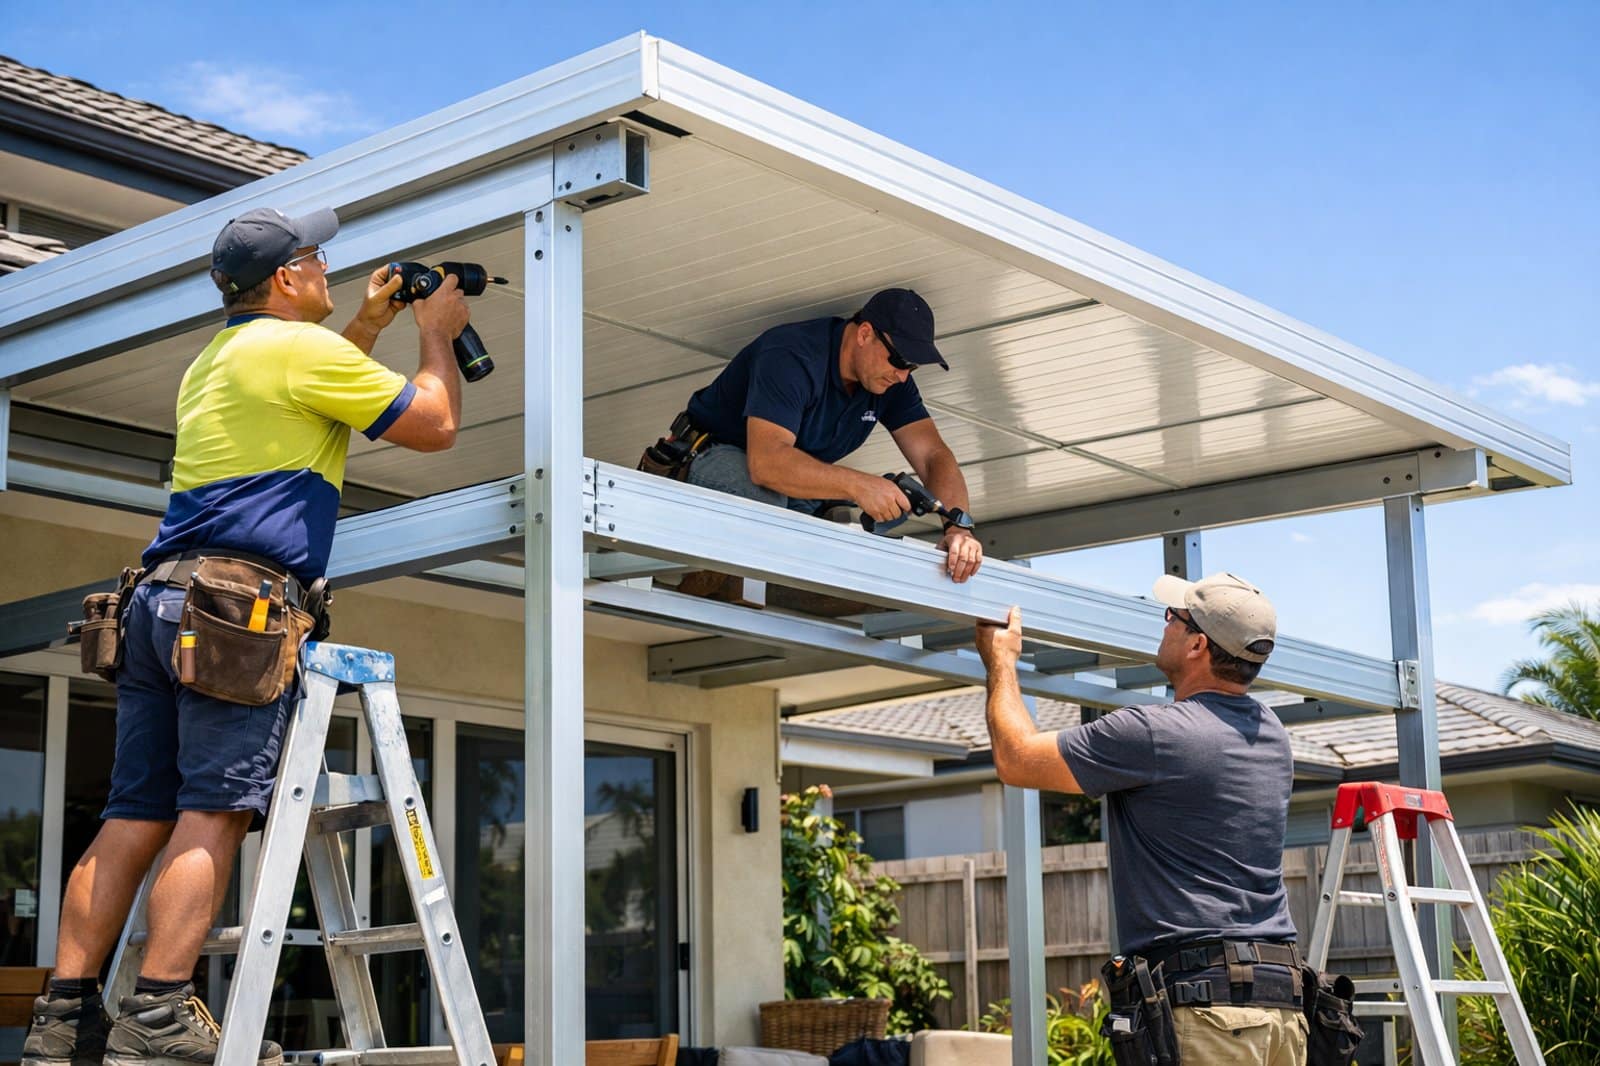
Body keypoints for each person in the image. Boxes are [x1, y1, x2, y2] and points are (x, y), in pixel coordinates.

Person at [23, 207, 471, 1066]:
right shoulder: (305, 352)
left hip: (159, 602)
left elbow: (316, 391)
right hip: (237, 608)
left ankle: (64, 1014)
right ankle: (157, 1012)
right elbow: (435, 423)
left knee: (134, 813)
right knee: (216, 809)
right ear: (287, 278)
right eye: (318, 258)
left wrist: (369, 323)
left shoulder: (220, 357)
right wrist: (436, 333)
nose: (330, 268)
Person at [974, 573, 1306, 1065]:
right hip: (1281, 1006)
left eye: (1173, 616)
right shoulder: (1271, 733)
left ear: (1196, 644)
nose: (1165, 624)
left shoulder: (1154, 733)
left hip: (1211, 1013)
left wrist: (1000, 660)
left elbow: (1016, 759)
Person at [663, 288, 983, 583]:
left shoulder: (891, 383)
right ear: (864, 333)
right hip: (708, 456)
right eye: (899, 360)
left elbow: (933, 456)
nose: (902, 375)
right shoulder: (792, 355)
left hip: (784, 488)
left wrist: (959, 529)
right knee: (773, 505)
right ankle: (716, 579)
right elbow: (767, 463)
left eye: (912, 367)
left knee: (838, 528)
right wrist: (860, 485)